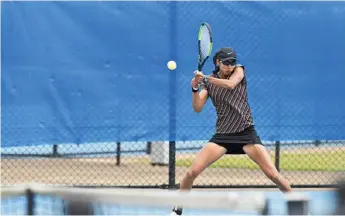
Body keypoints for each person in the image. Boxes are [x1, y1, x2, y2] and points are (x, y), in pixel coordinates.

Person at [171, 47, 292, 216]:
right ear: (217, 62)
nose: (230, 65)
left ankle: (300, 209)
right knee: (192, 172)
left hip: (246, 134)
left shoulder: (239, 71)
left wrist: (204, 77)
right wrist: (195, 88)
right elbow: (198, 107)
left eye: (232, 62)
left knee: (273, 174)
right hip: (223, 136)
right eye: (226, 62)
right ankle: (177, 209)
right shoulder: (209, 82)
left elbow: (231, 84)